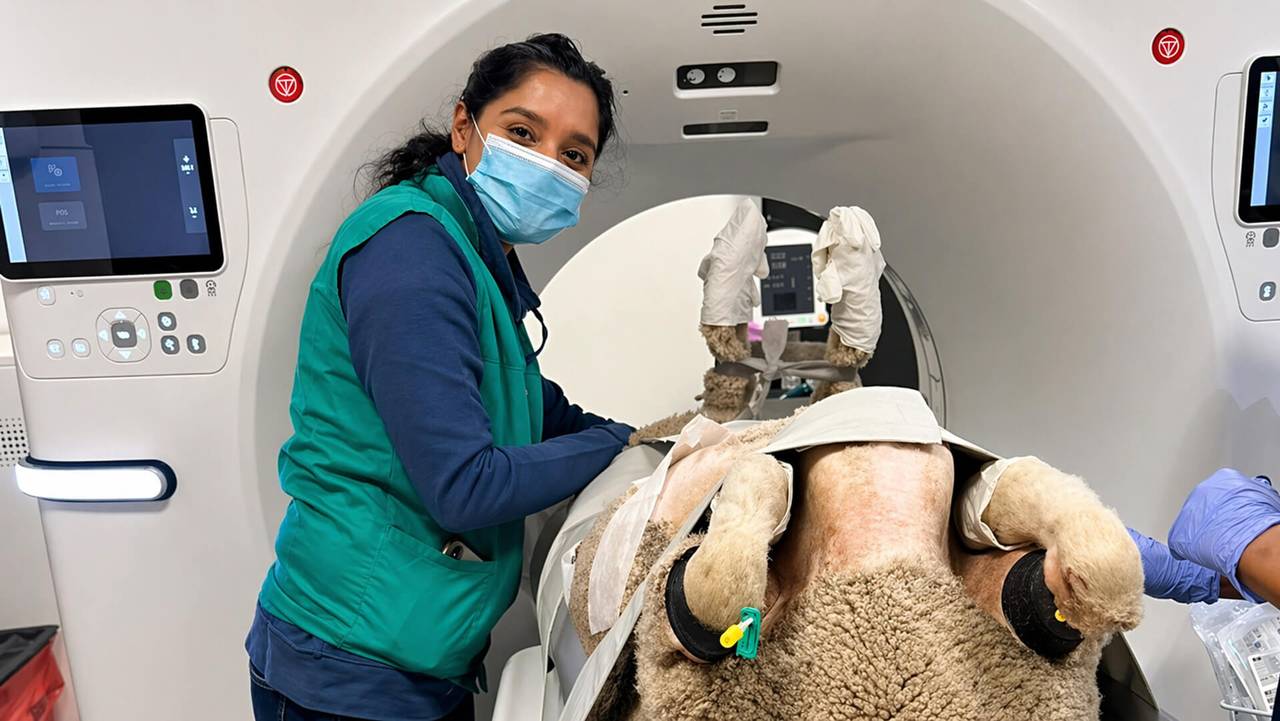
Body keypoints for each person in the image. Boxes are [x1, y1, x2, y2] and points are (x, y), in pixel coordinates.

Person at [244, 34, 635, 721]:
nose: (548, 163)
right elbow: (464, 485)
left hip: (421, 658)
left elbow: (529, 404)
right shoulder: (410, 248)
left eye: (574, 154)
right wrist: (612, 449)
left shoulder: (472, 255)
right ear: (464, 127)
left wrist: (651, 441)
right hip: (347, 666)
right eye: (523, 131)